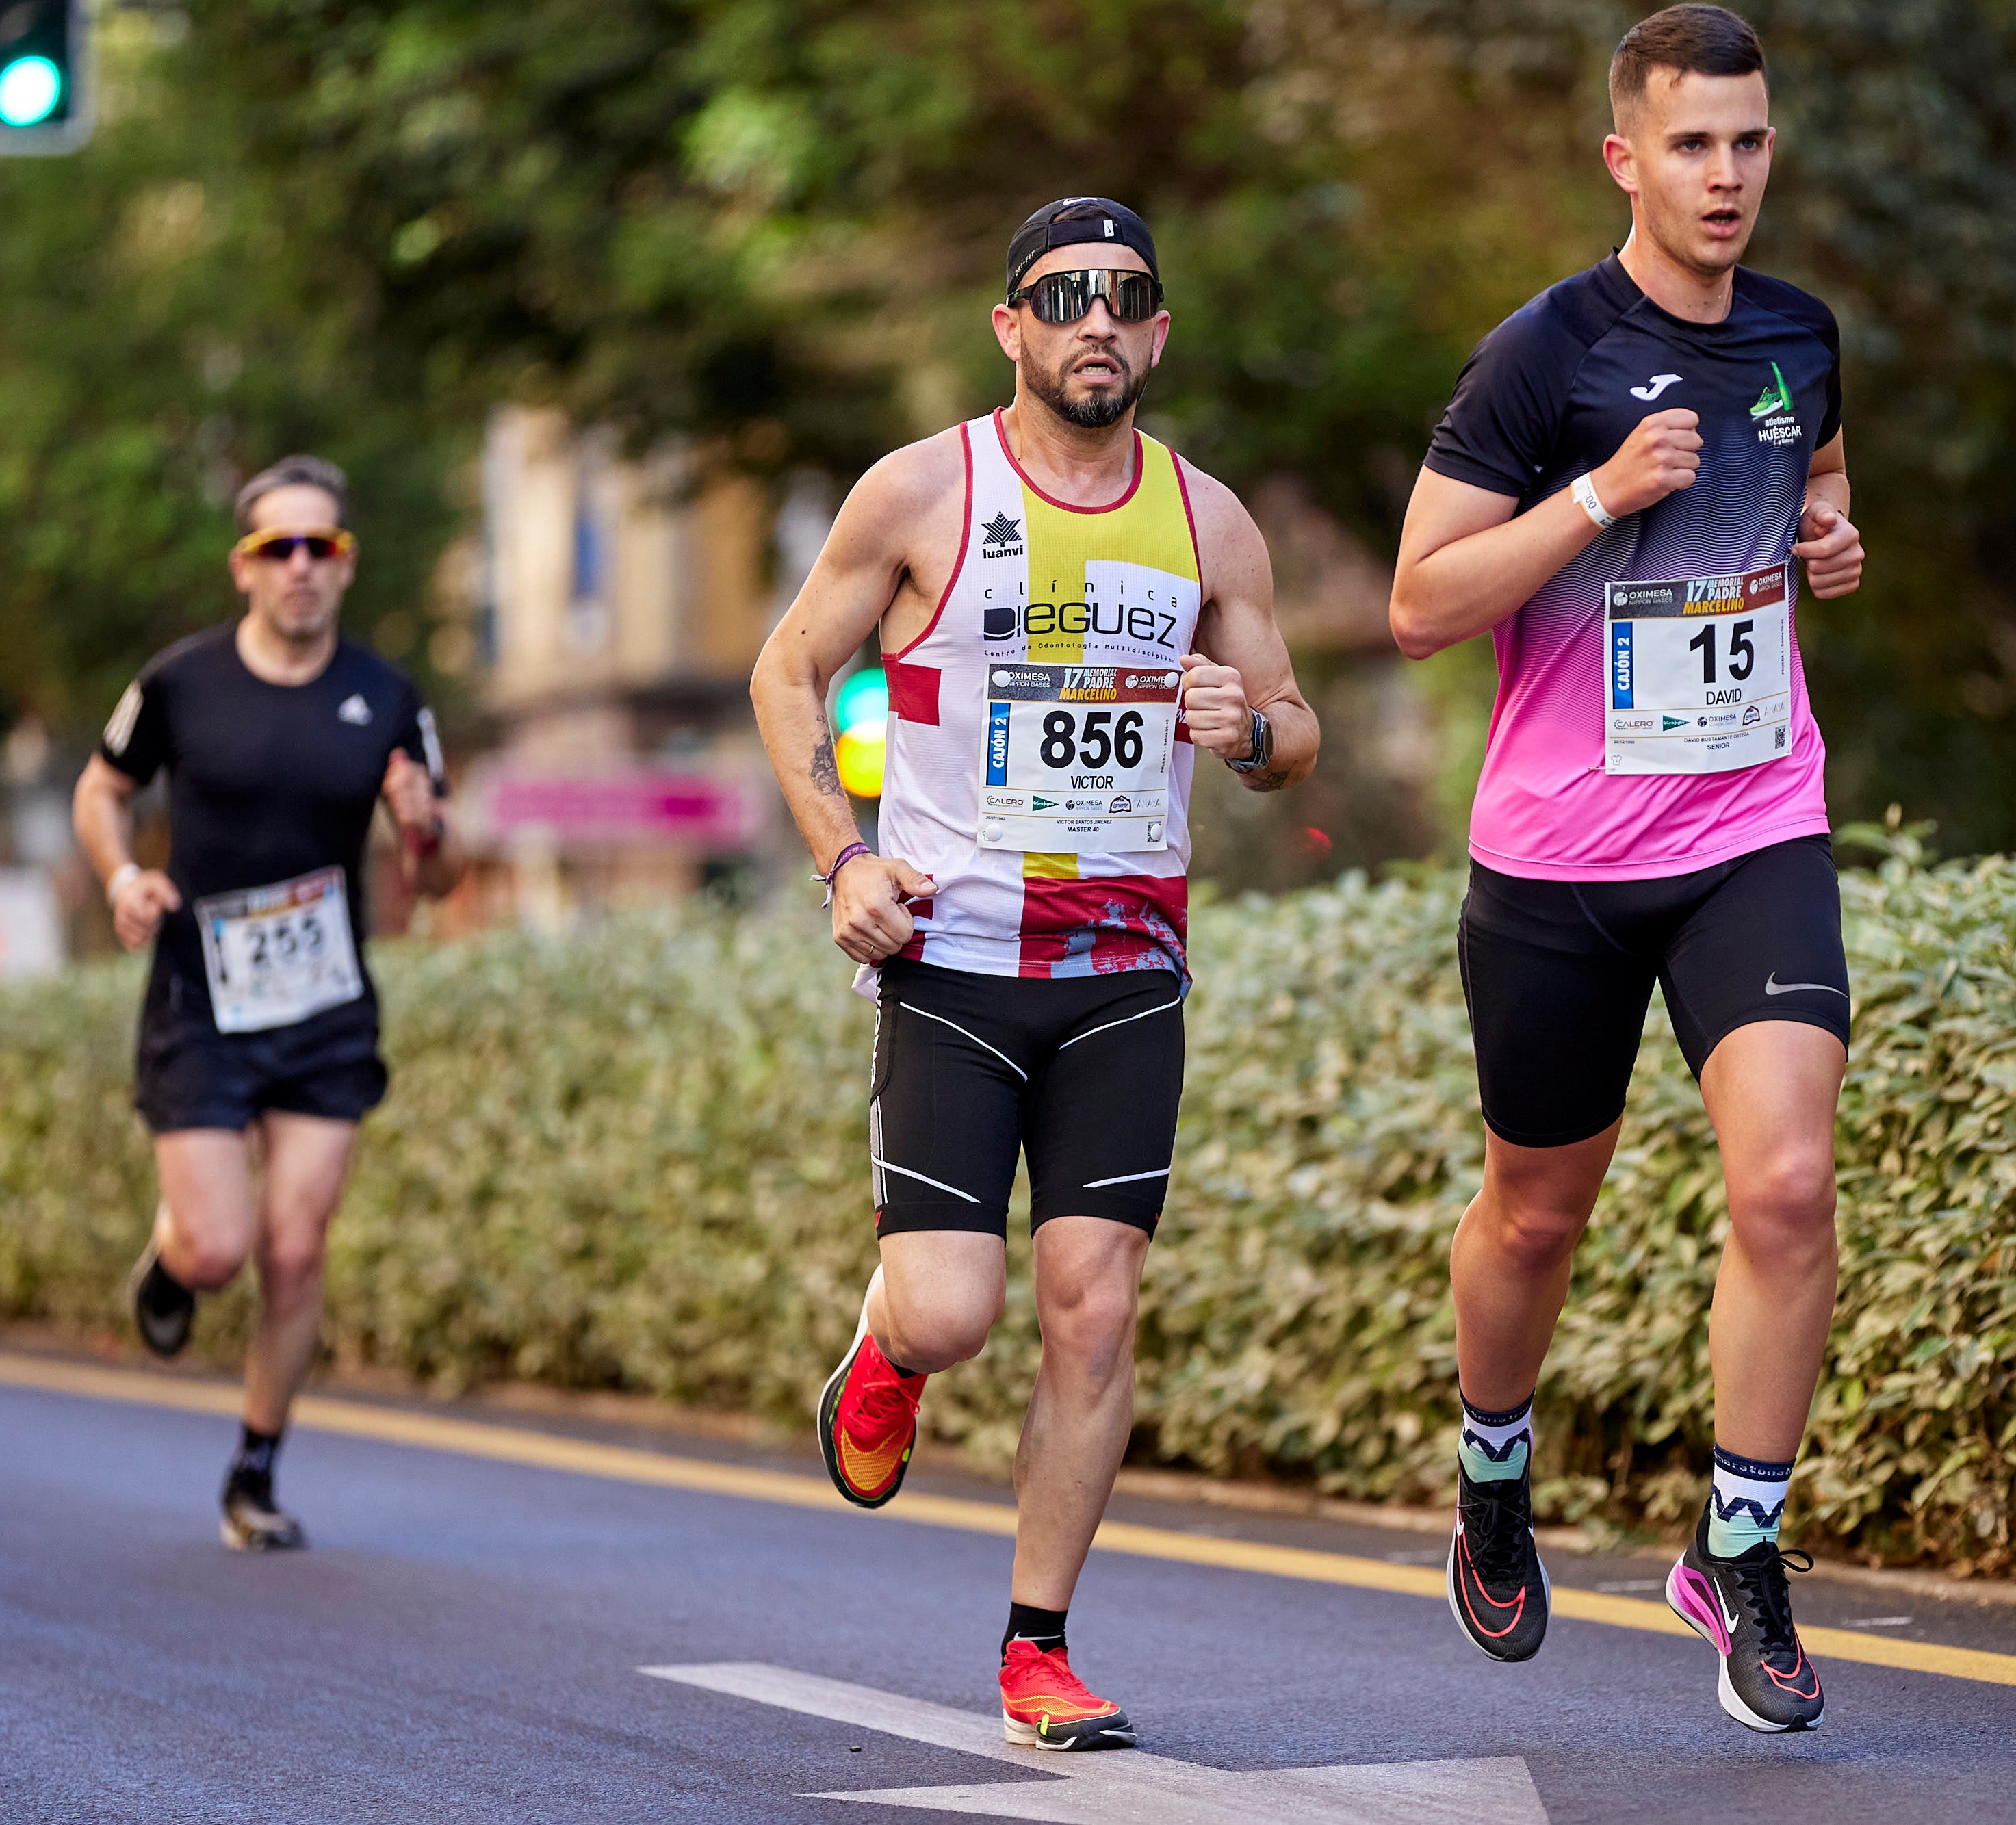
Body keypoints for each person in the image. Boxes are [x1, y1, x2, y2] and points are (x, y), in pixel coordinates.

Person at [751, 198, 1319, 1750]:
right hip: (954, 960)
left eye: (1124, 297)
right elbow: (788, 665)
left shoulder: (1208, 520)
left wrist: (1248, 732)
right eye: (1062, 296)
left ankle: (1038, 1645)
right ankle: (887, 1350)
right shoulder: (923, 489)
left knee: (1092, 1308)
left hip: (1126, 968)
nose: (1095, 321)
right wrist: (844, 859)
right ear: (1010, 326)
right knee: (955, 1311)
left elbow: (1289, 726)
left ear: (1156, 333)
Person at [1387, 6, 1866, 1735]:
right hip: (1560, 857)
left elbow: (1815, 486)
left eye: (1746, 142)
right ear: (1623, 159)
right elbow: (1418, 601)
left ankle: (1738, 1547)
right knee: (1535, 1208)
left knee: (1787, 1183)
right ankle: (1489, 1468)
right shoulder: (1544, 354)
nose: (1724, 175)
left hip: (1751, 824)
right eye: (1689, 145)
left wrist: (1829, 536)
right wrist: (1594, 496)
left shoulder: (1799, 335)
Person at [73, 455, 461, 1553]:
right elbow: (101, 789)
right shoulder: (180, 683)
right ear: (243, 567)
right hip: (201, 998)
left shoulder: (389, 699)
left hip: (323, 1005)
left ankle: (255, 1469)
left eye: (320, 547)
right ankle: (173, 1260)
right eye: (277, 547)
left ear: (345, 566)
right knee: (218, 1248)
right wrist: (122, 877)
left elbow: (440, 876)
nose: (300, 566)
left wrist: (423, 825)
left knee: (295, 1249)